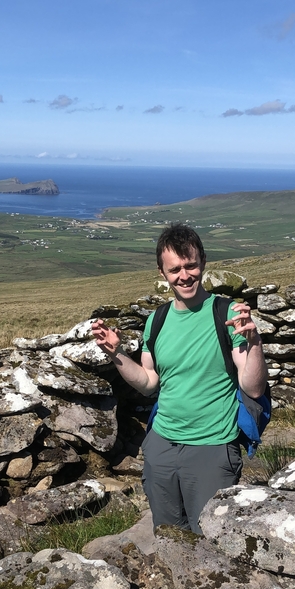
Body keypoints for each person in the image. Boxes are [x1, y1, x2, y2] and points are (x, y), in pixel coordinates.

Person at [91, 223, 268, 533]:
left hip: (212, 447)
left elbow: (252, 387)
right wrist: (115, 354)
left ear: (203, 262)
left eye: (191, 265)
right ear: (162, 273)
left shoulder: (225, 315)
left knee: (211, 540)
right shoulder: (156, 321)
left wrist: (254, 343)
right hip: (161, 446)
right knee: (169, 537)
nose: (184, 275)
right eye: (175, 269)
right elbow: (148, 383)